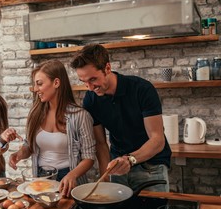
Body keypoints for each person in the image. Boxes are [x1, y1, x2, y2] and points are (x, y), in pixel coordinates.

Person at [70, 44, 171, 192]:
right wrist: (105, 176)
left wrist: (130, 159)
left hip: (151, 167)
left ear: (107, 68)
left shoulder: (142, 89)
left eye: (93, 79)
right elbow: (100, 143)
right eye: (84, 81)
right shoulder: (91, 100)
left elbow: (157, 140)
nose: (90, 87)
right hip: (116, 166)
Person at [8, 59, 96, 197]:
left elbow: (89, 157)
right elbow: (29, 145)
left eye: (40, 84)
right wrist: (18, 154)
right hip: (40, 178)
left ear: (56, 83)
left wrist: (72, 175)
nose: (36, 89)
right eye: (35, 84)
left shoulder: (80, 116)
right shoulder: (35, 113)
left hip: (68, 179)